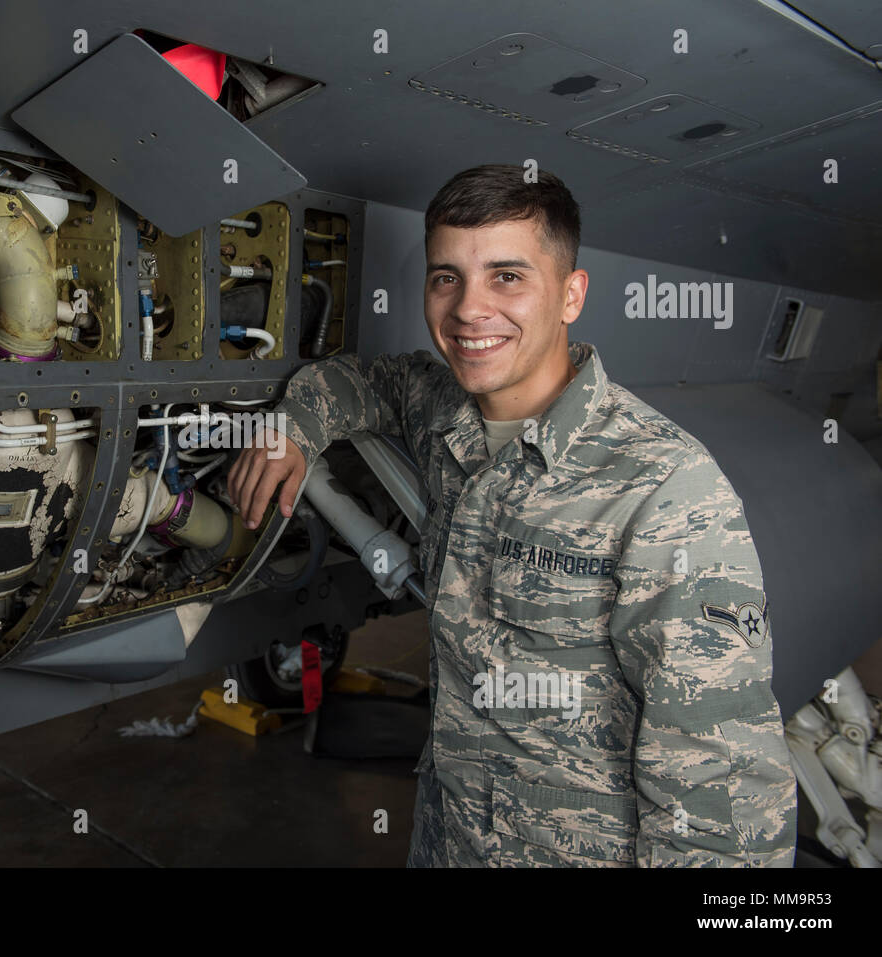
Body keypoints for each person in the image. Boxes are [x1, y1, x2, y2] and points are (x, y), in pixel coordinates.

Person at [227, 164, 797, 867]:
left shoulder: (665, 491)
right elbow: (366, 381)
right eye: (447, 278)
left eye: (507, 277)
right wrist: (292, 427)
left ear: (570, 294)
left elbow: (725, 800)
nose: (469, 309)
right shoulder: (445, 413)